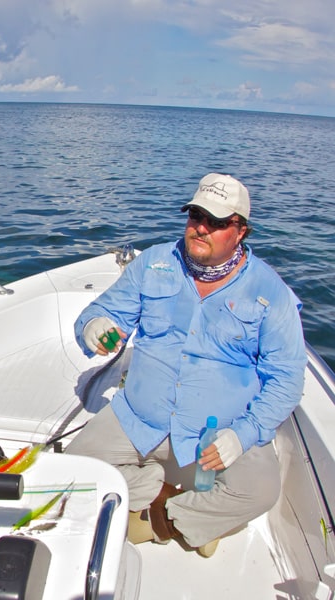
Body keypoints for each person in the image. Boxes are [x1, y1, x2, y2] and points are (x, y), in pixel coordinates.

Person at [66, 173, 306, 557]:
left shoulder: (271, 291)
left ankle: (157, 519)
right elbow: (105, 312)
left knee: (261, 491)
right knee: (71, 470)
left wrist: (243, 435)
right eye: (196, 214)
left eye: (216, 221)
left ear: (240, 230)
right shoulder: (154, 263)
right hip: (140, 418)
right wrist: (94, 326)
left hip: (219, 432)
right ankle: (177, 511)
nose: (201, 227)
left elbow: (287, 380)